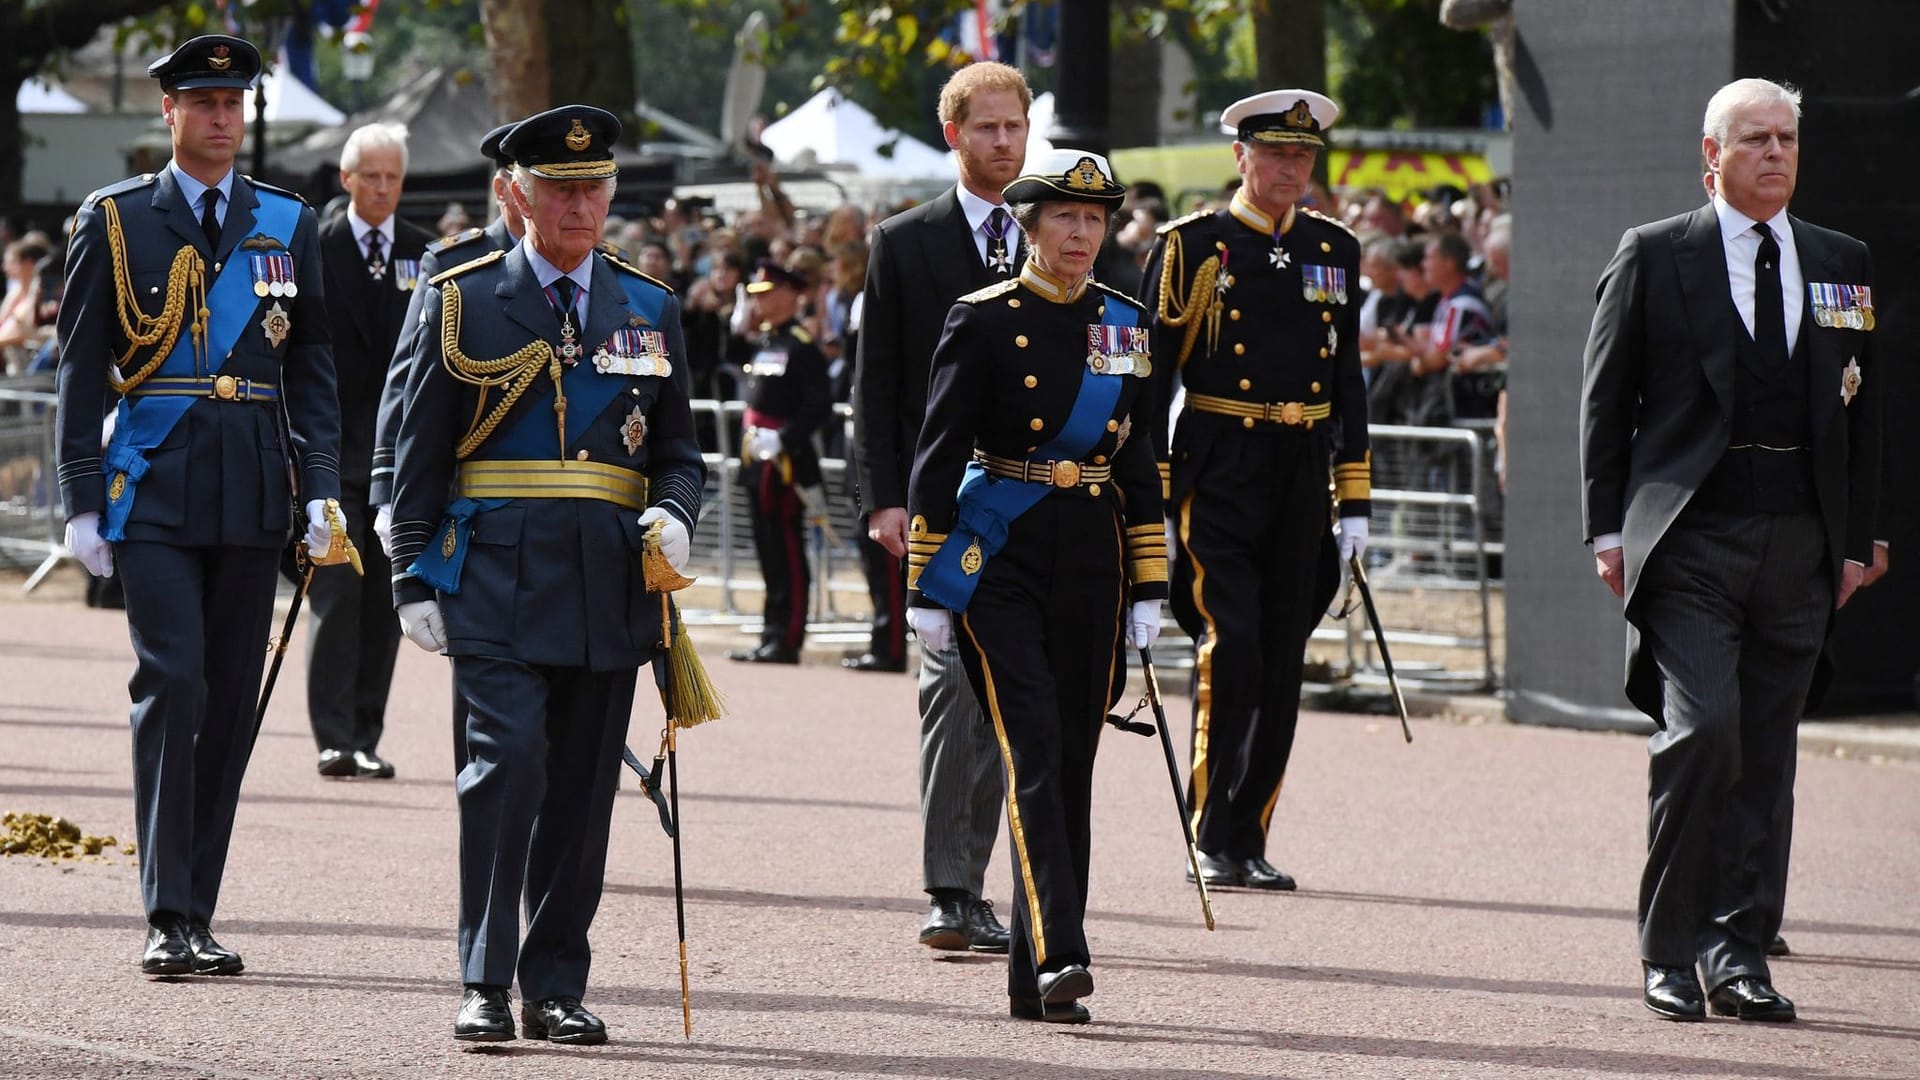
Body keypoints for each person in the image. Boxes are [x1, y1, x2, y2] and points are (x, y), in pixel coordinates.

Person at [388, 105, 704, 1044]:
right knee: (509, 765)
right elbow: (418, 450)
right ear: (514, 195)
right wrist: (410, 574)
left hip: (609, 582)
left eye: (594, 188)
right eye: (560, 189)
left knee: (579, 786)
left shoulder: (649, 305)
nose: (580, 207)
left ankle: (555, 978)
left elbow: (680, 449)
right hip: (494, 572)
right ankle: (485, 977)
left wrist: (677, 512)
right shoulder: (461, 298)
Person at [1581, 78, 1880, 1025]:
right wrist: (1605, 527)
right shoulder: (1656, 253)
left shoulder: (1841, 260)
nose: (1776, 155)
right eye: (1754, 139)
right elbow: (1605, 398)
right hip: (1691, 536)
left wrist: (1863, 534)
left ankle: (1737, 952)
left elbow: (1867, 408)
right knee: (1704, 733)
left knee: (1767, 752)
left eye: (1787, 138)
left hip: (1802, 538)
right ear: (1710, 155)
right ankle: (1669, 950)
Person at [54, 34, 343, 976]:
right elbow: (78, 370)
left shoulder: (290, 223)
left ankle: (199, 910)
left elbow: (314, 368)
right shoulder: (116, 218)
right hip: (158, 484)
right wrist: (81, 500)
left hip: (255, 487)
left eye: (235, 102)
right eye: (203, 101)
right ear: (169, 112)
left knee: (230, 706)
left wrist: (323, 491)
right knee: (172, 684)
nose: (222, 116)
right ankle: (163, 909)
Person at [906, 149, 1164, 1024]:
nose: (1082, 234)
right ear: (1029, 224)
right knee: (1034, 750)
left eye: (1095, 220)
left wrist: (1152, 586)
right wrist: (926, 586)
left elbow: (1139, 462)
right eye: (1065, 218)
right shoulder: (982, 319)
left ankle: (1033, 981)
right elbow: (938, 453)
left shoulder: (1126, 324)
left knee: (1075, 766)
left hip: (1093, 556)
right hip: (999, 557)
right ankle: (1063, 951)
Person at [1140, 88, 1370, 892]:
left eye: (1302, 156)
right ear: (1241, 156)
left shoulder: (1334, 249)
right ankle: (1209, 826)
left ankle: (1250, 832)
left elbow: (1348, 378)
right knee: (1230, 641)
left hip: (1302, 467)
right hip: (1222, 461)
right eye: (1274, 153)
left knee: (1281, 657)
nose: (1289, 168)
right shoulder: (1193, 246)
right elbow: (1152, 377)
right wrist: (1153, 497)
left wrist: (1358, 500)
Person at [853, 60, 1031, 953]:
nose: (1004, 142)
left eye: (1015, 127)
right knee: (950, 689)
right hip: (940, 506)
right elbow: (876, 385)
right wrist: (884, 500)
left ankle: (988, 881)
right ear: (954, 134)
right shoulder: (905, 240)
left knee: (1008, 698)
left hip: (1035, 507)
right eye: (987, 128)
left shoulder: (1058, 232)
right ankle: (950, 888)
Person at [307, 122, 434, 779]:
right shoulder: (318, 248)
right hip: (330, 451)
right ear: (346, 179)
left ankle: (365, 733)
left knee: (386, 604)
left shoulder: (424, 254)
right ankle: (332, 734)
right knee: (336, 598)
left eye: (393, 178)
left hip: (397, 460)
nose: (383, 189)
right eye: (372, 176)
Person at [370, 120, 525, 547]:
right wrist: (388, 486)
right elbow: (407, 374)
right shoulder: (454, 261)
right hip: (467, 481)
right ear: (503, 189)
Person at [728, 261, 832, 665]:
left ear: (791, 294)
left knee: (787, 549)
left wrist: (784, 437)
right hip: (758, 459)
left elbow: (817, 406)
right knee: (767, 549)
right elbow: (736, 360)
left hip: (786, 463)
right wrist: (737, 327)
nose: (760, 302)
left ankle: (787, 637)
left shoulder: (801, 346)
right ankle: (771, 631)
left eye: (767, 293)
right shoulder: (768, 339)